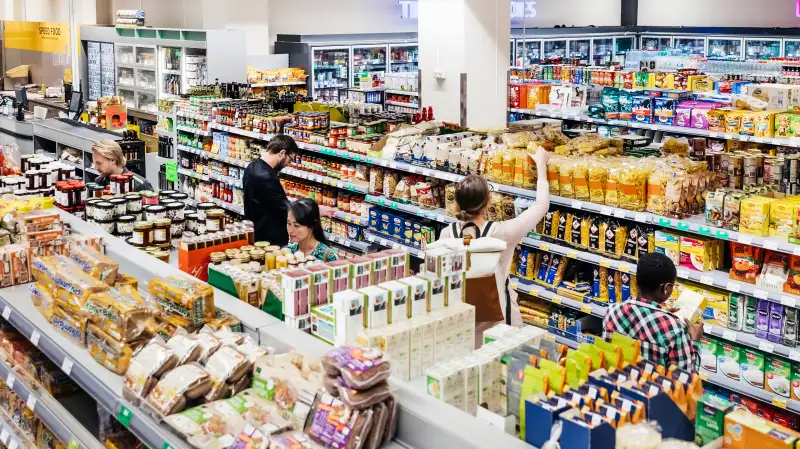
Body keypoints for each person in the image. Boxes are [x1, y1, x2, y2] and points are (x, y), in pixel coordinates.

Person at [438, 146, 550, 336]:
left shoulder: (447, 234)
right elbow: (541, 205)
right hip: (499, 318)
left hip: (463, 315)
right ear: (488, 201)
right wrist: (541, 166)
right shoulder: (501, 232)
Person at [602, 252, 702, 372]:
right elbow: (686, 379)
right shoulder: (674, 329)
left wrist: (660, 314)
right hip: (652, 389)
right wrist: (695, 340)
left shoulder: (612, 311)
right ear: (666, 288)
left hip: (616, 386)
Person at [242, 135, 298, 246]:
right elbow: (284, 208)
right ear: (282, 153)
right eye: (290, 159)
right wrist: (312, 209)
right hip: (268, 241)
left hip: (257, 232)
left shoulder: (253, 166)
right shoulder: (265, 177)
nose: (288, 164)